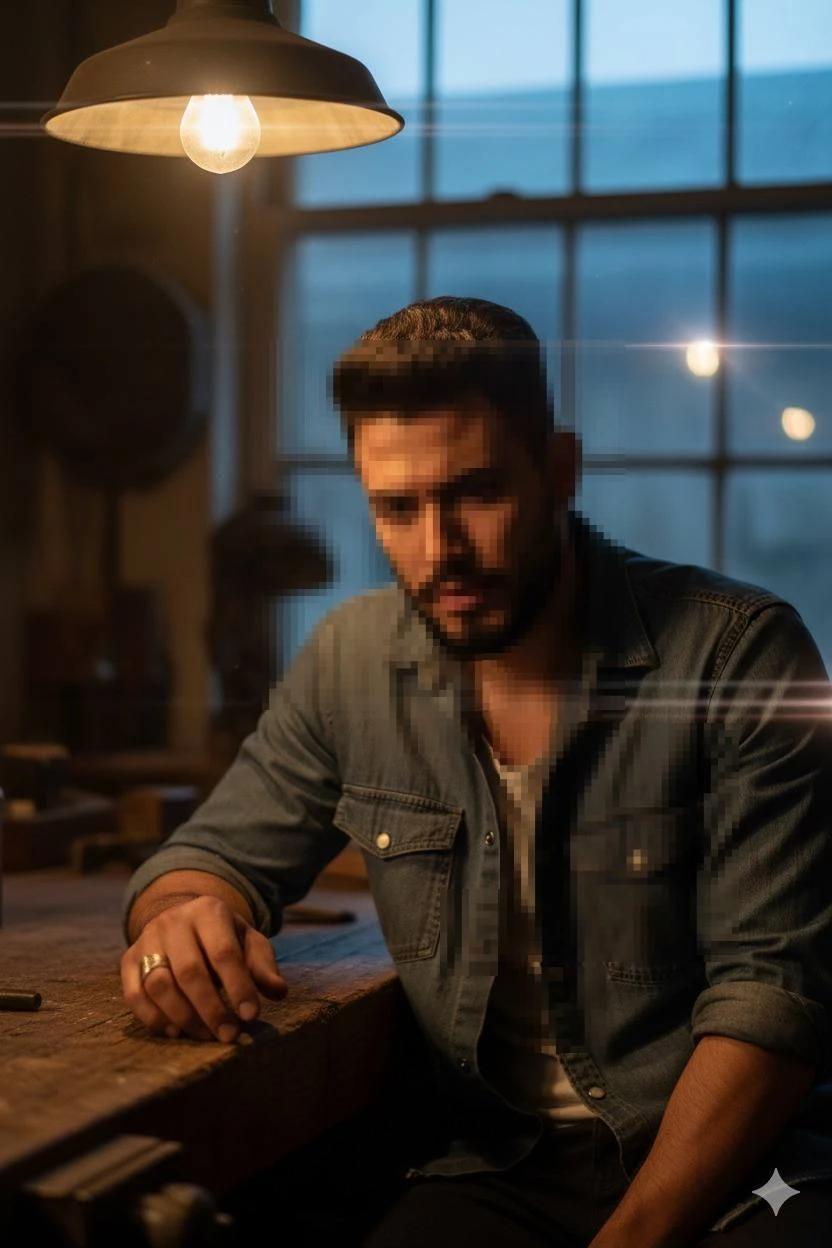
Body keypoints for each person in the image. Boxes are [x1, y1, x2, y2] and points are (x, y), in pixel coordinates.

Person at [121, 296, 832, 1247]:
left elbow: (774, 996)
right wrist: (185, 913)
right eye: (397, 509)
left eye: (475, 494)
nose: (438, 551)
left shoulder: (740, 654)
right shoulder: (351, 660)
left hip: (751, 1168)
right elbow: (210, 854)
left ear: (559, 471)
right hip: (499, 1164)